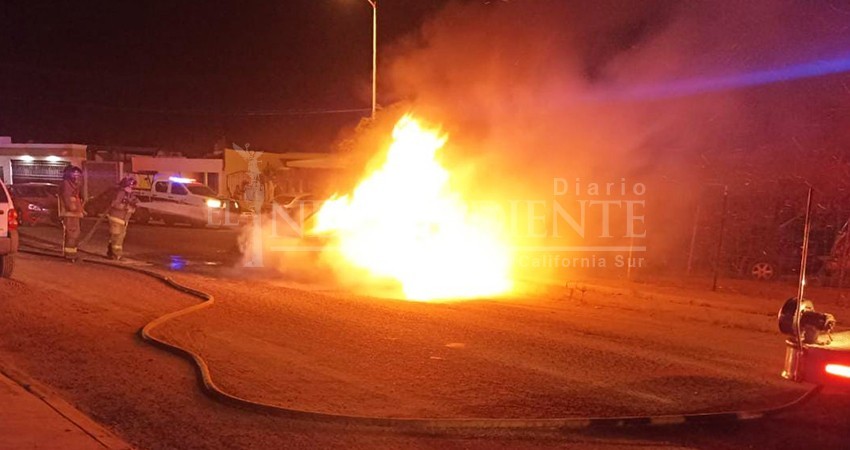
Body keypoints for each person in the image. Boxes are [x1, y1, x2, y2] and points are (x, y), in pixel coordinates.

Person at [106, 176, 139, 260]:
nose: (131, 187)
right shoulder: (120, 193)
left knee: (119, 237)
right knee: (117, 236)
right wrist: (125, 207)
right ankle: (116, 254)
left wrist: (134, 205)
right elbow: (114, 204)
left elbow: (135, 202)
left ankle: (112, 252)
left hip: (124, 219)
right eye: (130, 185)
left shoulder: (130, 194)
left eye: (132, 186)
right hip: (116, 217)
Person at [58, 165, 84, 261]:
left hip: (74, 213)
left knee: (75, 234)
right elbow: (66, 197)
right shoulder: (66, 184)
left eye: (77, 174)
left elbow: (76, 198)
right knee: (72, 233)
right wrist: (72, 208)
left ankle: (72, 253)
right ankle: (69, 255)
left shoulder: (73, 185)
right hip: (70, 213)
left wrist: (81, 209)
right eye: (74, 174)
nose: (76, 176)